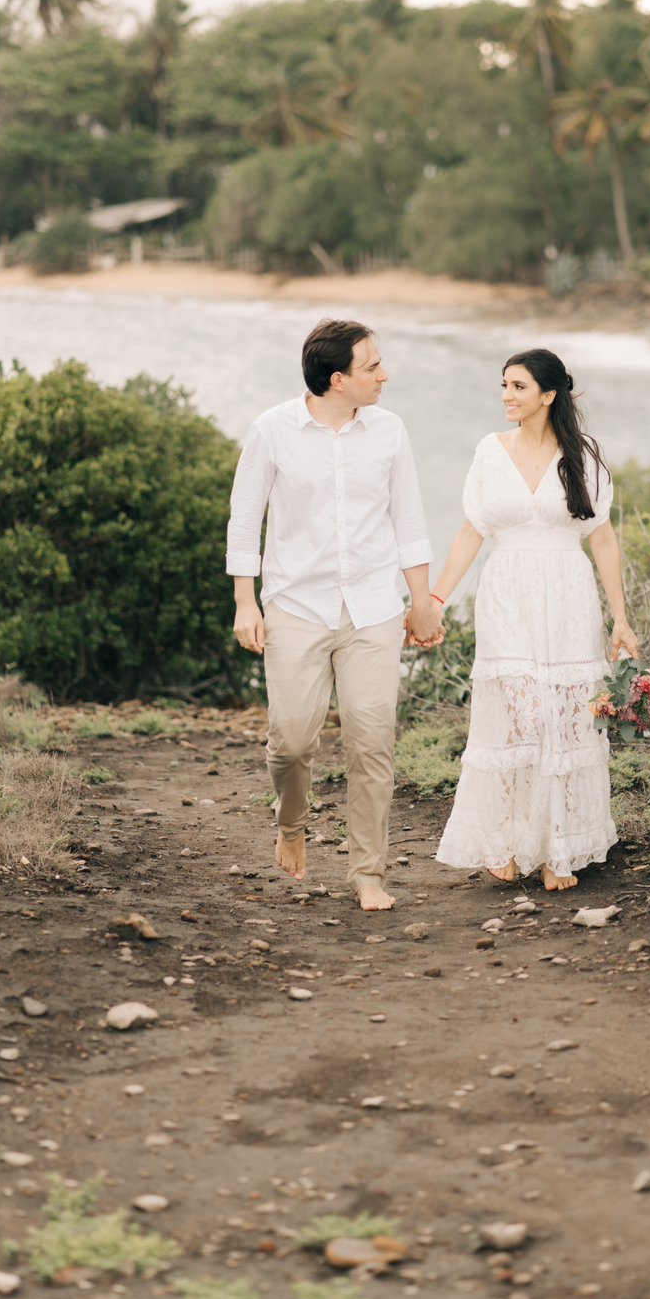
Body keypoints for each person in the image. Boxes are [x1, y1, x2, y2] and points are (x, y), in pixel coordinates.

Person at [226, 319, 443, 912]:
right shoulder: (271, 431)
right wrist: (246, 602)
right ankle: (291, 823)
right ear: (337, 378)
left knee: (372, 743)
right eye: (373, 366)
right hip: (295, 605)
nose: (384, 375)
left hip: (373, 608)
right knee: (292, 742)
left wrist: (420, 602)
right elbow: (245, 522)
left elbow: (410, 521)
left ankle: (367, 872)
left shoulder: (390, 431)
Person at [431, 348, 639, 890]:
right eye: (504, 384)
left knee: (563, 720)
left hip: (568, 597)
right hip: (505, 596)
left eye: (518, 387)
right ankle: (505, 842)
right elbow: (470, 532)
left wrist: (620, 618)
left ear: (548, 395)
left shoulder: (583, 455)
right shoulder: (488, 451)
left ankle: (556, 851)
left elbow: (604, 538)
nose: (506, 395)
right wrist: (434, 600)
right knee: (518, 718)